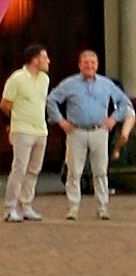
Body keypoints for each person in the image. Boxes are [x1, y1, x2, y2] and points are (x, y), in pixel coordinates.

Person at [44, 49, 133, 221]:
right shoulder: (69, 84)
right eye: (85, 63)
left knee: (100, 171)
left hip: (99, 131)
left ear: (97, 65)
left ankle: (102, 207)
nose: (89, 66)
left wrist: (114, 118)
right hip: (76, 132)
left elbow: (123, 102)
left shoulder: (106, 84)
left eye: (92, 63)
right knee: (74, 172)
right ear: (80, 65)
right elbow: (51, 100)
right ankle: (73, 207)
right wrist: (60, 121)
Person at [0, 45, 51, 223]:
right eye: (44, 57)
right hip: (22, 130)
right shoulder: (17, 78)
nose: (48, 61)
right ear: (35, 60)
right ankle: (10, 207)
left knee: (33, 170)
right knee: (19, 169)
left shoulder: (44, 79)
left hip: (41, 130)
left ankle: (26, 205)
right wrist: (15, 121)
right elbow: (5, 104)